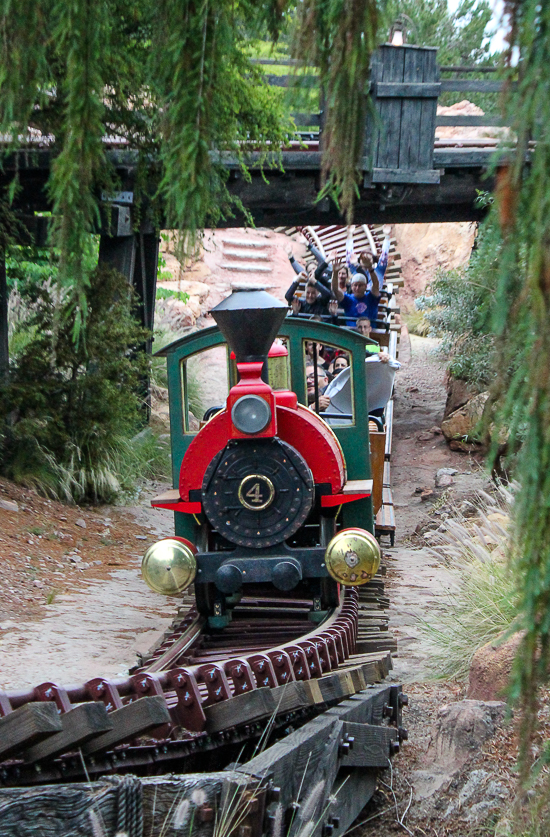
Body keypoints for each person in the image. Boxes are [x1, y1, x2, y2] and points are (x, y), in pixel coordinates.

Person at [331, 259, 382, 326]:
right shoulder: (348, 299)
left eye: (360, 285)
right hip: (351, 332)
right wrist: (335, 273)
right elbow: (335, 289)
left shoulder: (371, 297)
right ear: (351, 286)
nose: (357, 288)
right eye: (355, 285)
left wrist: (370, 269)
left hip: (369, 332)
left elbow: (375, 284)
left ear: (366, 286)